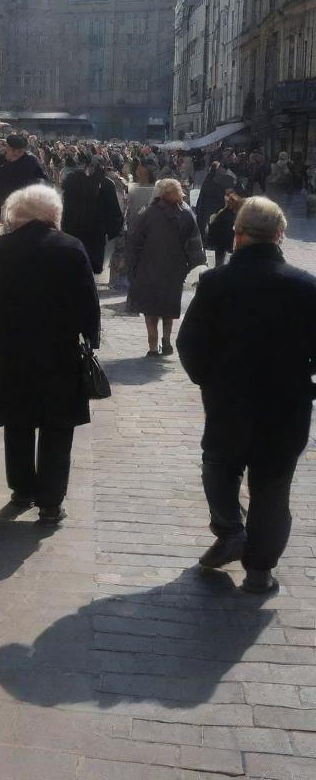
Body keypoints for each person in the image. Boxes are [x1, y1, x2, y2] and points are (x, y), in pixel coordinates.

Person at [177, 197, 316, 593]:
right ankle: (260, 570)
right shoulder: (305, 286)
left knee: (219, 466)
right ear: (279, 235)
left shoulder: (217, 282)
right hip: (286, 403)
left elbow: (189, 344)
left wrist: (208, 380)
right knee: (272, 486)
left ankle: (230, 529)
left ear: (237, 235)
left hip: (229, 399)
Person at [0, 184, 101, 525]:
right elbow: (88, 303)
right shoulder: (71, 248)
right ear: (52, 214)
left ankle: (21, 489)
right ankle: (50, 501)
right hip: (60, 353)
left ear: (17, 214)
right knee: (57, 427)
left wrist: (4, 327)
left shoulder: (3, 248)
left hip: (16, 350)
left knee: (18, 422)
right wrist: (89, 336)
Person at [125, 178, 205, 357]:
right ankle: (166, 341)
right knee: (168, 306)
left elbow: (135, 242)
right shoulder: (186, 213)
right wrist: (195, 267)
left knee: (150, 308)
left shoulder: (147, 213)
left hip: (148, 267)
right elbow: (195, 243)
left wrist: (132, 268)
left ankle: (153, 345)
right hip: (175, 269)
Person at [60, 155, 124, 274]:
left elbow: (66, 205)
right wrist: (114, 230)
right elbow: (113, 210)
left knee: (74, 266)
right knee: (91, 267)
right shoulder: (107, 183)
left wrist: (64, 225)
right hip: (96, 232)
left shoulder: (72, 180)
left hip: (74, 229)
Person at [0, 135, 48, 221]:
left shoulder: (31, 161)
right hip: (1, 204)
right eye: (13, 150)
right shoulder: (0, 160)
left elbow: (42, 182)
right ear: (7, 148)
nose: (16, 153)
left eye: (19, 151)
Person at [194, 158, 237, 243]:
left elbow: (201, 199)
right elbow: (231, 195)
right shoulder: (227, 179)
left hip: (206, 214)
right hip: (220, 213)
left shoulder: (208, 180)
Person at [205, 190, 243, 267]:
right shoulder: (238, 217)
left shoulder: (219, 214)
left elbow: (211, 234)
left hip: (219, 248)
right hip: (230, 249)